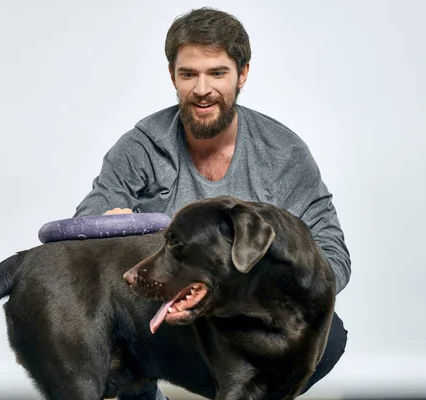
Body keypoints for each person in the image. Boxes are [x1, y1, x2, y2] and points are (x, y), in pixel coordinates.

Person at [74, 7, 350, 400]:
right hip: (167, 307)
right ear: (173, 76)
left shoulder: (283, 154)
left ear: (243, 74)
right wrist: (109, 226)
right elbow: (84, 224)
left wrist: (250, 296)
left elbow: (333, 257)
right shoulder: (142, 146)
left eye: (217, 73)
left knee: (330, 335)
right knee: (96, 313)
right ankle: (140, 391)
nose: (202, 89)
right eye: (189, 74)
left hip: (244, 319)